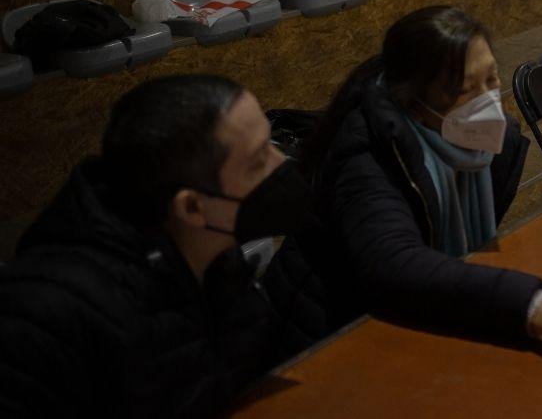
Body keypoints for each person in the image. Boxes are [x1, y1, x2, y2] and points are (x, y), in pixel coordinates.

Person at [0, 75, 329, 417]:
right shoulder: (47, 313)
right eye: (259, 161)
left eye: (272, 143)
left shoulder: (216, 256)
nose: (284, 164)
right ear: (191, 207)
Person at [301, 6, 542, 352]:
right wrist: (531, 304)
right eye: (465, 89)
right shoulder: (365, 155)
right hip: (337, 335)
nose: (487, 102)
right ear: (414, 103)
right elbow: (395, 263)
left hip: (428, 312)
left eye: (492, 80)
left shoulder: (492, 143)